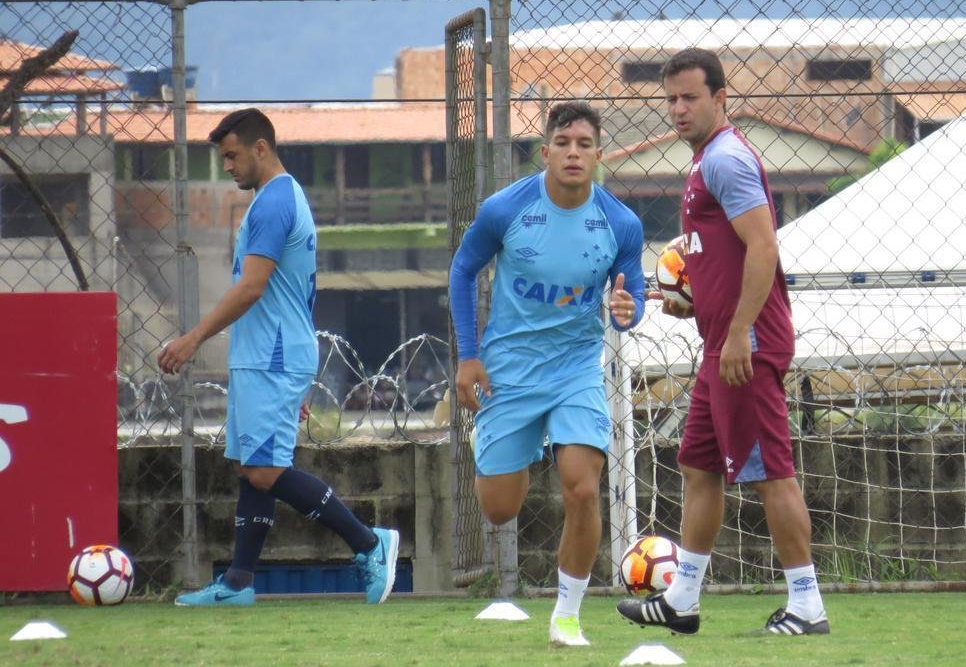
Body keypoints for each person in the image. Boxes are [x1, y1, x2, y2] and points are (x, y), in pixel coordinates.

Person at [617, 49, 829, 635]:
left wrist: (738, 332)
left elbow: (763, 247)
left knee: (770, 473)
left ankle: (807, 607)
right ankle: (681, 601)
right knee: (697, 466)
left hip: (746, 346)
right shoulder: (705, 160)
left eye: (690, 97)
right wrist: (696, 301)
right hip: (722, 344)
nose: (679, 109)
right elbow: (722, 256)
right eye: (671, 99)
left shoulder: (727, 160)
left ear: (720, 99)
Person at [158, 107, 399, 607]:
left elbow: (252, 287)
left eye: (231, 156)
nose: (227, 167)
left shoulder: (272, 204)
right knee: (252, 466)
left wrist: (193, 338)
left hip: (273, 355)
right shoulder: (277, 199)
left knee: (266, 470)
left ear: (259, 148)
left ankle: (371, 543)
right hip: (265, 355)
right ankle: (239, 583)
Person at [449, 101, 645, 647]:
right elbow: (463, 270)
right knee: (500, 509)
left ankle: (567, 617)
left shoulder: (620, 222)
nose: (574, 153)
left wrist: (631, 309)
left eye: (585, 144)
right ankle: (508, 437)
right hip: (509, 370)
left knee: (582, 490)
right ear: (546, 152)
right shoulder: (504, 209)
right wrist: (469, 356)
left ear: (599, 154)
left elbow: (634, 289)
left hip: (576, 368)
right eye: (564, 143)